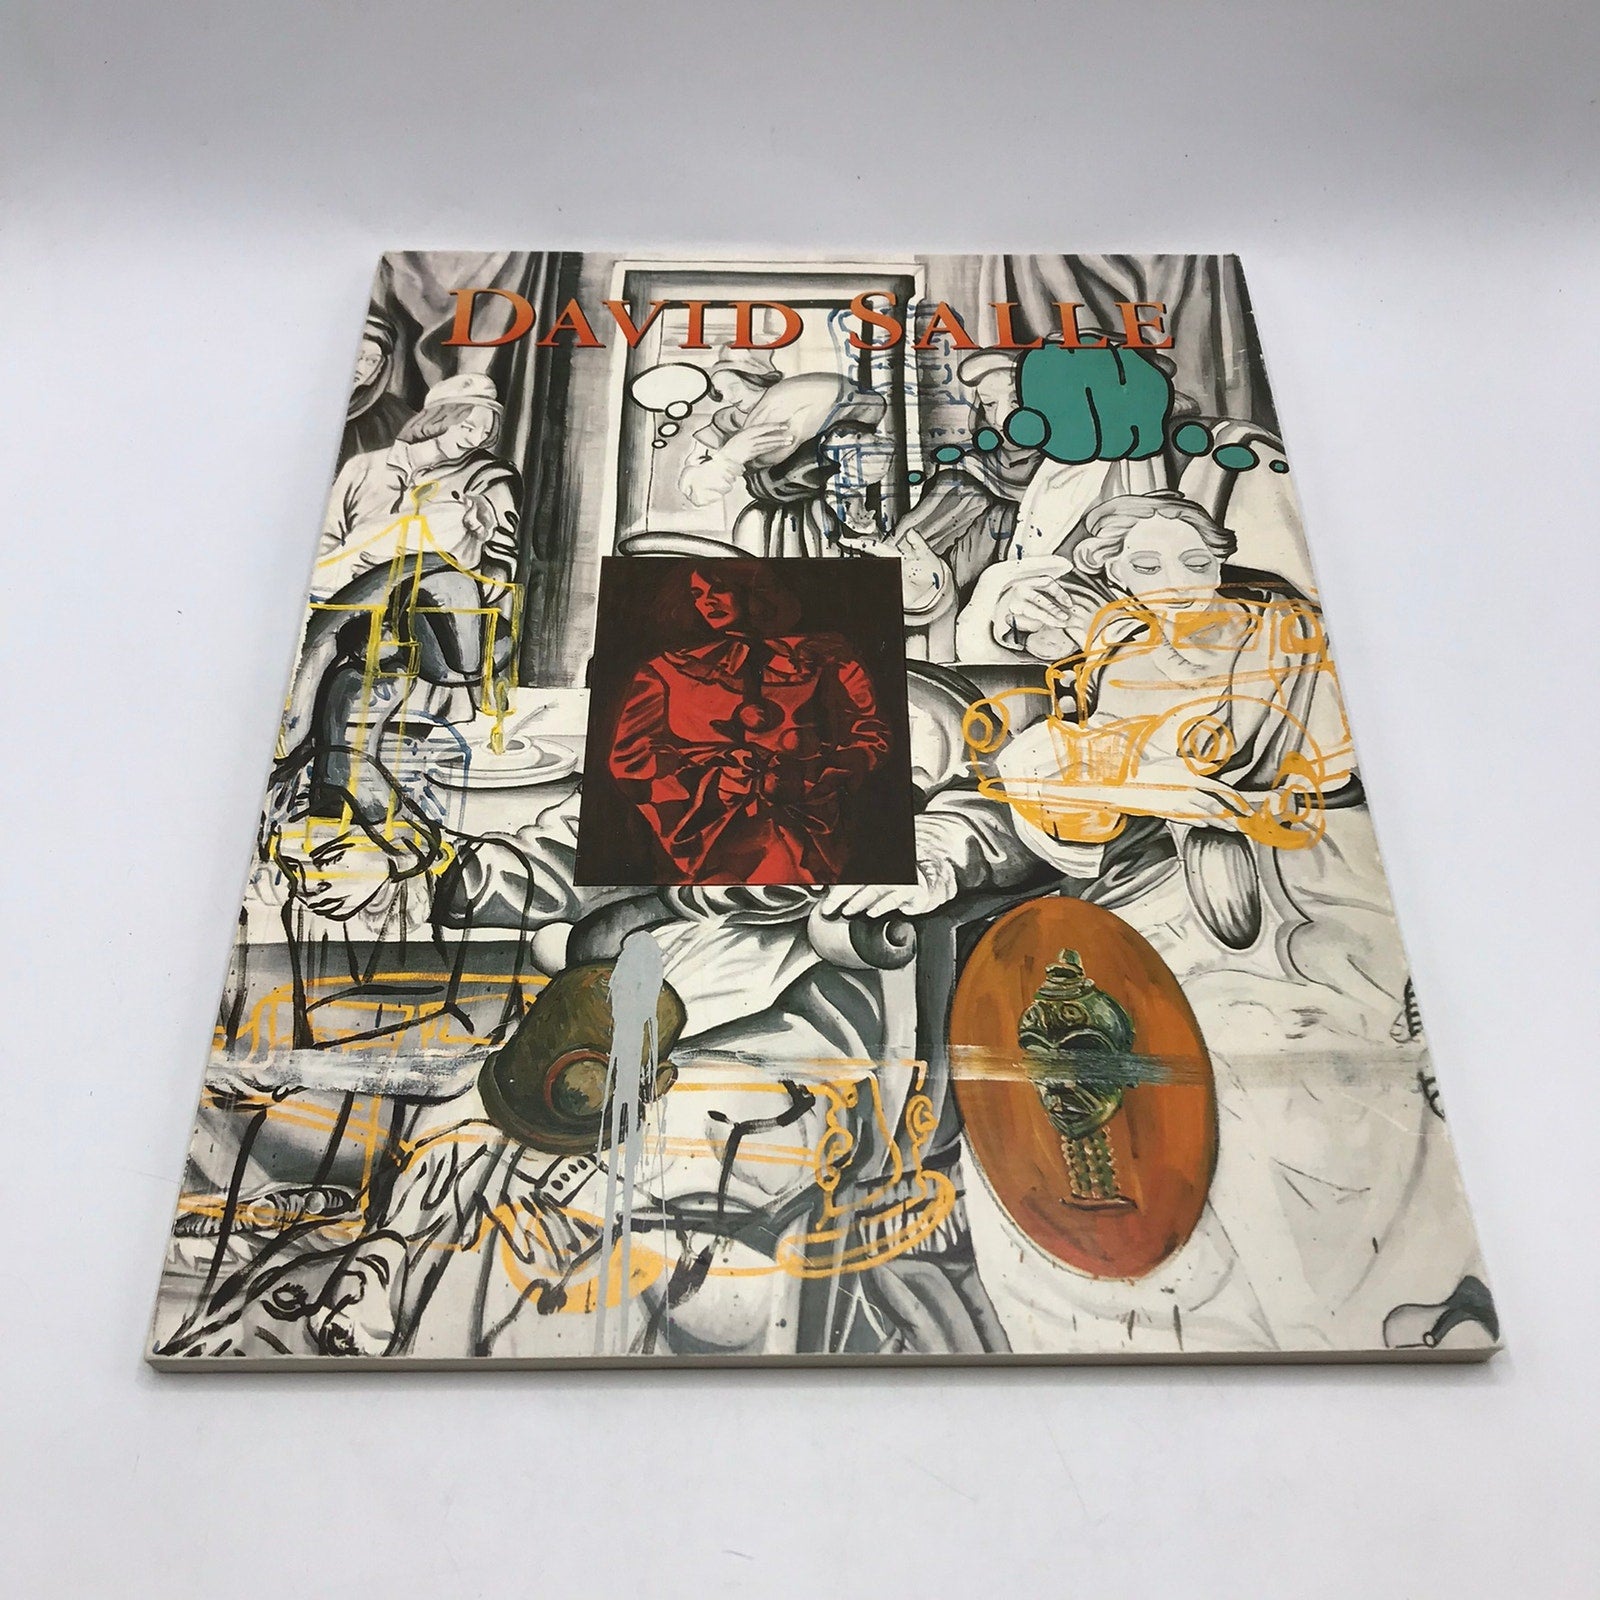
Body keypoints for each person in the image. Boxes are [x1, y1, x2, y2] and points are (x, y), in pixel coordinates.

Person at [608, 565, 893, 883]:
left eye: (719, 588)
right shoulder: (665, 671)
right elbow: (631, 759)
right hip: (709, 841)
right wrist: (715, 781)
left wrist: (816, 777)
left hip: (809, 836)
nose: (707, 601)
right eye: (697, 594)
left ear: (754, 587)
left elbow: (870, 735)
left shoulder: (830, 660)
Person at [338, 309, 413, 468]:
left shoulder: (391, 416)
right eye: (357, 356)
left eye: (372, 361)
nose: (361, 369)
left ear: (380, 368)